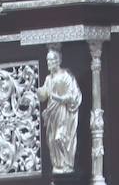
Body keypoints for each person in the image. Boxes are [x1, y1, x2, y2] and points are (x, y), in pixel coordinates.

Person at [38, 47, 83, 175]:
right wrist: (39, 92)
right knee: (52, 140)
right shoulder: (48, 78)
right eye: (47, 60)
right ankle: (58, 165)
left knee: (60, 138)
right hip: (52, 113)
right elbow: (44, 95)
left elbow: (73, 95)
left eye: (50, 60)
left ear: (57, 61)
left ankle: (67, 164)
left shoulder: (66, 76)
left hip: (63, 111)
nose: (48, 63)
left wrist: (60, 98)